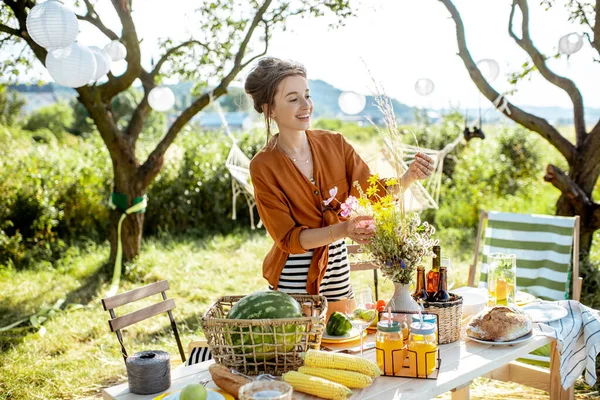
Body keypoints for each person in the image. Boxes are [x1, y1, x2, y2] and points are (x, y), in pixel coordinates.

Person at [245, 57, 434, 319]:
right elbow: (288, 239)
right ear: (269, 110)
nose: (305, 105)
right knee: (302, 354)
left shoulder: (335, 143)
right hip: (294, 279)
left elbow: (373, 193)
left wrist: (408, 177)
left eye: (307, 95)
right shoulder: (263, 166)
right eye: (293, 99)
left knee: (345, 345)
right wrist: (343, 229)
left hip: (337, 267)